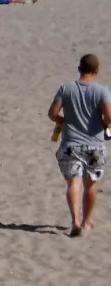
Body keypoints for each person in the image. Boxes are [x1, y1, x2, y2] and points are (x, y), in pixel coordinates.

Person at [48, 54, 111, 237]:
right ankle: (86, 221)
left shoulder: (66, 89)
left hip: (71, 144)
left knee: (73, 183)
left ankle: (75, 221)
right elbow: (109, 117)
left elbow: (52, 113)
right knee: (90, 184)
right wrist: (103, 124)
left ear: (79, 69)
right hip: (94, 145)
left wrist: (63, 121)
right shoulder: (102, 91)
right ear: (97, 70)